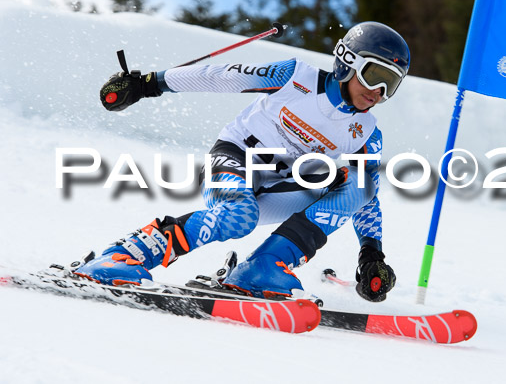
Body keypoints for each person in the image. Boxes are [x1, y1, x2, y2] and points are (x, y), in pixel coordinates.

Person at [74, 22, 410, 302]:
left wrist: (371, 254)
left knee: (359, 184)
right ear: (347, 61)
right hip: (234, 159)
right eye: (374, 74)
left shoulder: (367, 133)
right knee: (238, 215)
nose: (378, 91)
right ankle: (124, 256)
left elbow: (363, 198)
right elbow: (221, 76)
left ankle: (263, 267)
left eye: (390, 84)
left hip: (281, 186)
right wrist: (149, 85)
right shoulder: (297, 77)